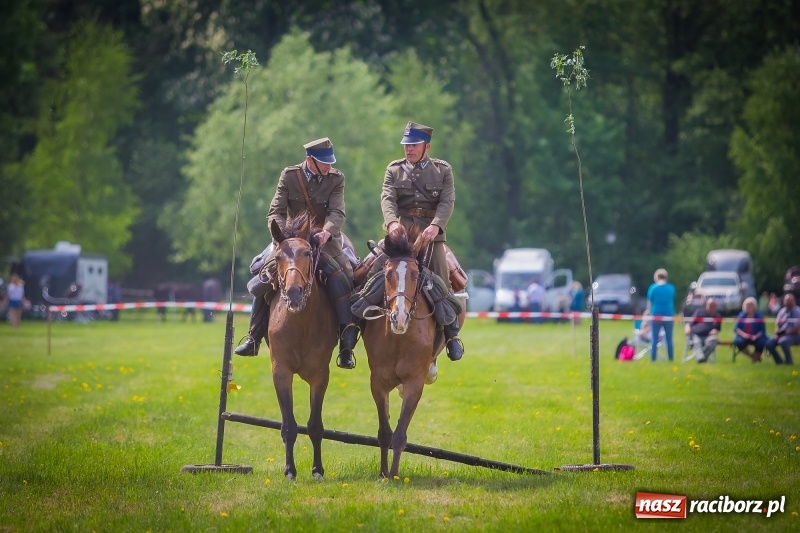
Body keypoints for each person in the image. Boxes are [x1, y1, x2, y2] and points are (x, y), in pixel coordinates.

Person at [234, 137, 360, 370]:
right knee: (265, 275)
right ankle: (253, 337)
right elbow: (276, 210)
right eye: (323, 163)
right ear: (310, 160)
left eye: (330, 162)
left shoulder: (336, 178)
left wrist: (326, 232)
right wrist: (281, 236)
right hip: (290, 239)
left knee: (345, 277)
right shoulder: (290, 176)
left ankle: (346, 345)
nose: (328, 167)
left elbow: (337, 213)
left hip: (324, 240)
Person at [379, 121, 463, 360]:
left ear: (427, 146)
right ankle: (353, 328)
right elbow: (387, 199)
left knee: (442, 282)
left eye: (414, 145)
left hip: (431, 236)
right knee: (371, 273)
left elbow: (447, 202)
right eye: (406, 145)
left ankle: (451, 334)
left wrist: (436, 226)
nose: (408, 149)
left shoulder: (442, 170)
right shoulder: (393, 170)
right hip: (400, 236)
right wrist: (392, 223)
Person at [646, 268, 676, 361]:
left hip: (656, 314)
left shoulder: (653, 288)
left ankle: (653, 359)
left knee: (654, 338)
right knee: (669, 338)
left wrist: (648, 314)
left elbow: (649, 304)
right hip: (668, 314)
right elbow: (672, 300)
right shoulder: (671, 288)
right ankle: (671, 359)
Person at [765, 293, 800, 365]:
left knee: (783, 341)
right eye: (787, 301)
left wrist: (784, 334)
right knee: (769, 343)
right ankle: (779, 362)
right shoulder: (782, 311)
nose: (788, 303)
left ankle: (789, 362)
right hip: (782, 334)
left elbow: (796, 329)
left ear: (794, 301)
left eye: (790, 301)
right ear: (784, 302)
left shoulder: (798, 312)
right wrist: (777, 334)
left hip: (795, 335)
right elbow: (777, 325)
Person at [684, 298, 723, 363]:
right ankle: (700, 358)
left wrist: (715, 330)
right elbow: (690, 323)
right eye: (710, 305)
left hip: (709, 336)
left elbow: (717, 328)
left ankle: (702, 358)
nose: (711, 307)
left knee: (714, 340)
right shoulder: (699, 312)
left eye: (713, 306)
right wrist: (687, 328)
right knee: (696, 342)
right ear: (706, 305)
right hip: (696, 334)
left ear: (716, 307)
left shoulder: (717, 316)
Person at [733, 296, 767, 363]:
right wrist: (744, 335)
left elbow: (762, 330)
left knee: (761, 343)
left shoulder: (759, 316)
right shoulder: (741, 315)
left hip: (756, 336)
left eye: (750, 305)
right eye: (747, 305)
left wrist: (756, 336)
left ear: (754, 306)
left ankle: (754, 361)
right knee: (738, 342)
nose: (748, 307)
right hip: (744, 336)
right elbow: (736, 328)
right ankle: (753, 357)